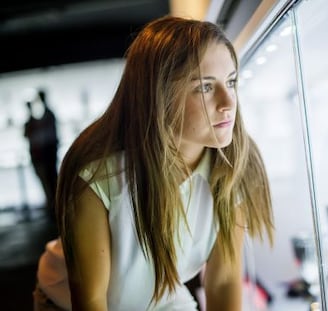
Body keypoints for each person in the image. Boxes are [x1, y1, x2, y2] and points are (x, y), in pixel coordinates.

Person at [33, 15, 274, 310]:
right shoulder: (97, 176)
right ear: (160, 93)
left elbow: (223, 281)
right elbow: (93, 300)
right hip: (65, 303)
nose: (228, 102)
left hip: (160, 296)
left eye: (231, 82)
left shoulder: (232, 166)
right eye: (205, 87)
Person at [24, 89, 59, 220]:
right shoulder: (45, 117)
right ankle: (53, 206)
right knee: (49, 181)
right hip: (43, 155)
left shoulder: (45, 117)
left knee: (48, 182)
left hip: (43, 155)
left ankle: (53, 206)